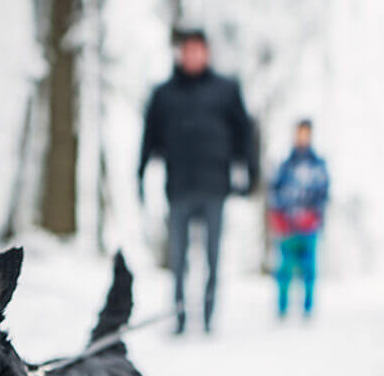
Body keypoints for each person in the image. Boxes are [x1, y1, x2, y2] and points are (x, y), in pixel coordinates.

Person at [137, 28, 258, 335]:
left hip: (215, 186)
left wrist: (250, 173)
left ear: (206, 53)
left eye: (197, 50)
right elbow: (149, 136)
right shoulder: (164, 94)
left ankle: (207, 316)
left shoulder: (226, 90)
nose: (192, 56)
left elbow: (245, 133)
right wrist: (139, 173)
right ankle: (179, 317)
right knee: (178, 259)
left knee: (212, 257)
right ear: (180, 54)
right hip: (178, 187)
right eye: (187, 50)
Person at [269, 119, 329, 320]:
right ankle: (282, 308)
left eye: (306, 133)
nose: (302, 137)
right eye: (299, 133)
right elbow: (274, 192)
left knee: (308, 270)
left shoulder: (318, 166)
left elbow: (323, 195)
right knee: (284, 270)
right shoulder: (285, 166)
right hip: (287, 227)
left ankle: (308, 309)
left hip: (309, 228)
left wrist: (314, 216)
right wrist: (278, 216)